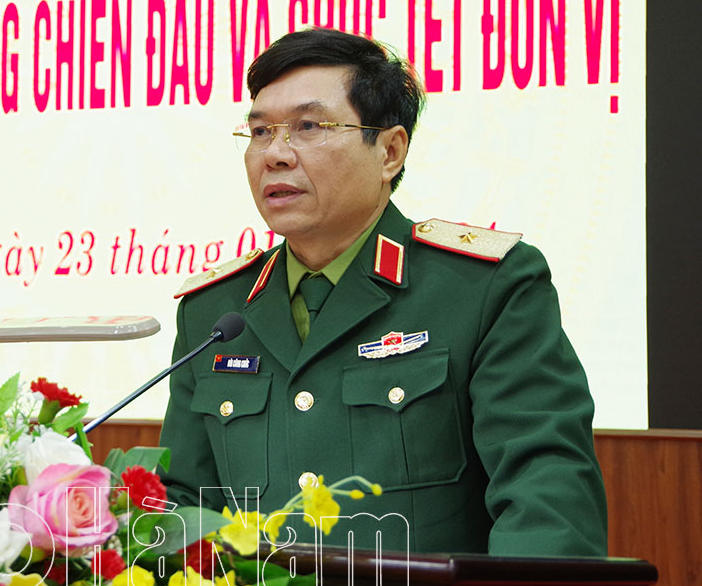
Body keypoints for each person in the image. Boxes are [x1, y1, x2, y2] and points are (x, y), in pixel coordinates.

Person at [158, 27, 608, 556]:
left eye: (309, 126)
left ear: (390, 151)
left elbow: (547, 494)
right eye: (260, 132)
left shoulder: (484, 288)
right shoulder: (214, 311)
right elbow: (181, 504)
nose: (275, 154)